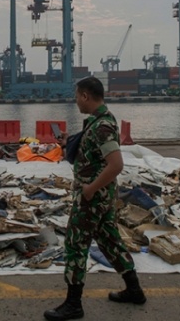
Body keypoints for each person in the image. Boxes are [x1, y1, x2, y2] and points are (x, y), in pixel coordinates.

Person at [44, 76, 146, 321]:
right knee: (109, 241)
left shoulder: (102, 126)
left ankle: (73, 304)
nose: (76, 100)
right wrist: (68, 142)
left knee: (75, 245)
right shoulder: (98, 122)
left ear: (86, 96)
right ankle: (134, 290)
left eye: (77, 96)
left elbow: (116, 165)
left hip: (92, 198)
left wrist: (90, 189)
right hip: (101, 197)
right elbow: (95, 155)